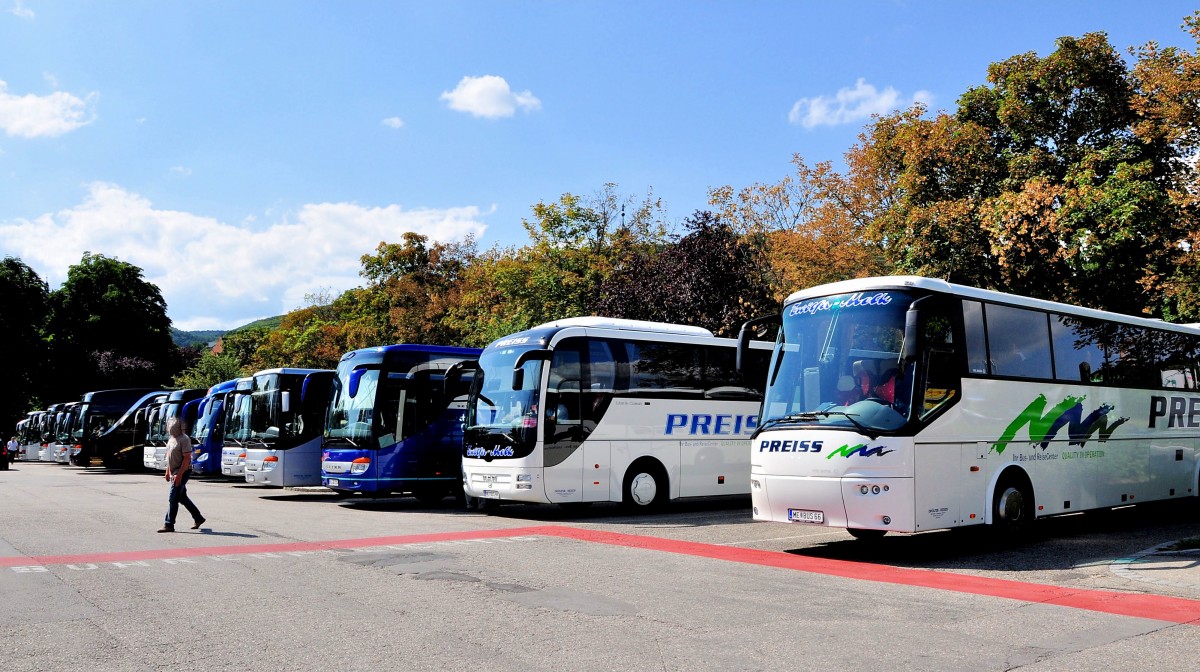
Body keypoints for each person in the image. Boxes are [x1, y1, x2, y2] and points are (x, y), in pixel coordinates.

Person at [158, 417, 205, 533]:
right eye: (170, 427)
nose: (170, 429)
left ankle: (169, 524)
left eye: (173, 427)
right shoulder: (171, 439)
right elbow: (170, 455)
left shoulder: (184, 439)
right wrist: (168, 470)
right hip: (174, 471)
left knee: (173, 498)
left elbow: (187, 459)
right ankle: (198, 518)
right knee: (182, 497)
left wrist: (179, 475)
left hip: (183, 471)